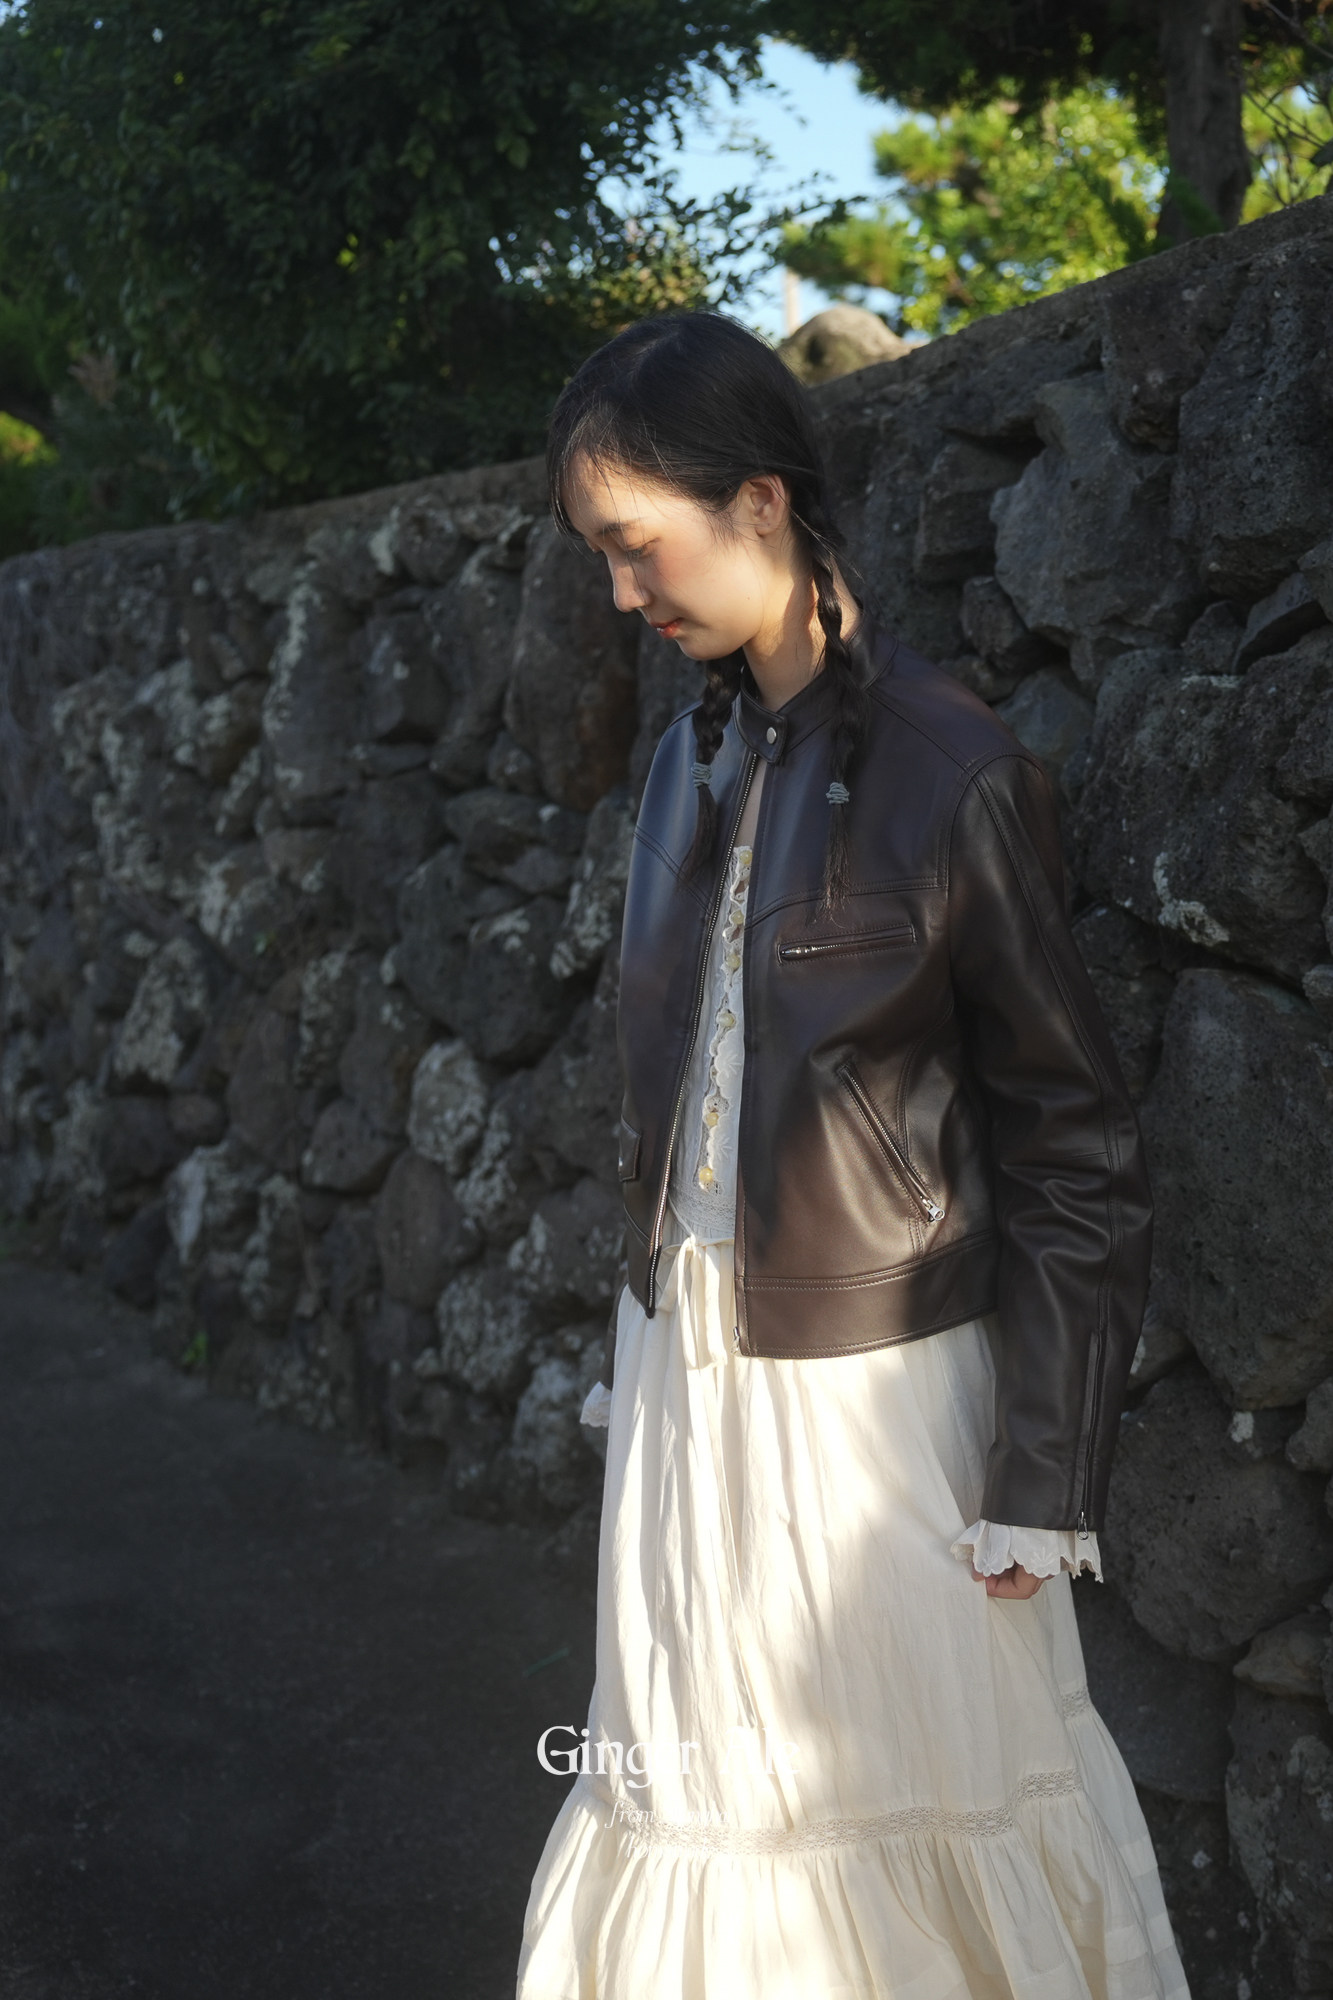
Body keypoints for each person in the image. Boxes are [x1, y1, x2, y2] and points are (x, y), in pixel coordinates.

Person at [516, 311, 1188, 2000]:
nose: (622, 592)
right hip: (685, 1402)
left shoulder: (954, 773)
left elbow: (1071, 1137)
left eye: (635, 543)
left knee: (905, 1842)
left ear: (757, 502)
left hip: (876, 1427)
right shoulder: (681, 766)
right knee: (696, 1820)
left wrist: (1043, 1472)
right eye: (600, 556)